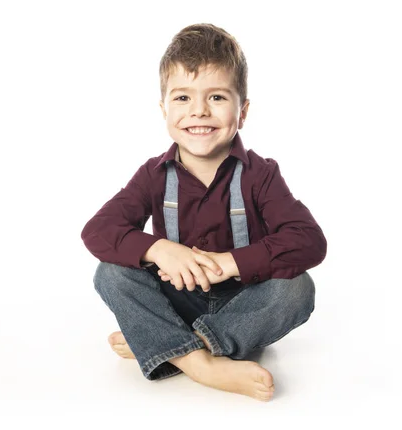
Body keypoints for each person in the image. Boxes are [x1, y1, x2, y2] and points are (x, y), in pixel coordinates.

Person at [81, 23, 327, 402]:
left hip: (244, 300)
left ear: (242, 111)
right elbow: (98, 230)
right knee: (110, 274)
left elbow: (308, 241)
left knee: (298, 289)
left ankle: (168, 344)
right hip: (178, 297)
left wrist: (231, 263)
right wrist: (159, 249)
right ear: (163, 109)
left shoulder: (261, 174)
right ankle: (203, 365)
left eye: (216, 97)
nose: (199, 111)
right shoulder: (152, 175)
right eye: (182, 98)